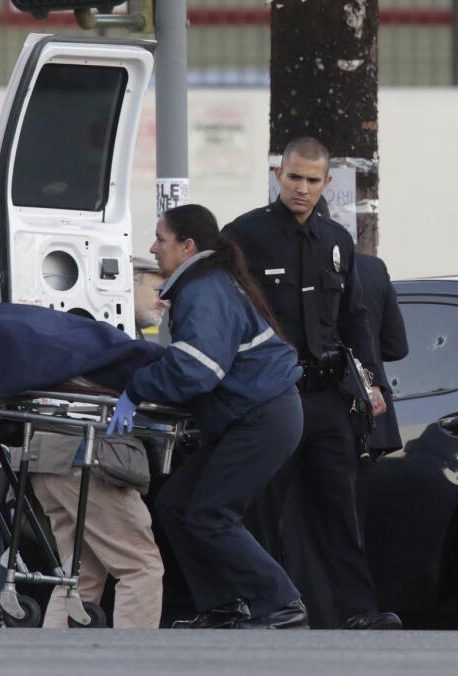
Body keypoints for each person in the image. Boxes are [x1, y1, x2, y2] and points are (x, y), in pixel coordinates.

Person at [223, 136, 401, 630]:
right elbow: (225, 314)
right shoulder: (243, 235)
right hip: (270, 398)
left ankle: (359, 611)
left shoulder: (337, 241)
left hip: (325, 397)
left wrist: (371, 384)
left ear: (327, 183)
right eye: (294, 177)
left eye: (313, 180)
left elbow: (355, 319)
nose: (302, 188)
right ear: (279, 174)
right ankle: (259, 606)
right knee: (260, 507)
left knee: (338, 508)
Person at [113, 203, 307, 629]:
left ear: (187, 247)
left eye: (160, 239)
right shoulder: (206, 286)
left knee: (210, 514)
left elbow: (197, 369)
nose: (153, 247)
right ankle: (222, 606)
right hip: (254, 414)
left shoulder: (204, 291)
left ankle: (281, 603)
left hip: (263, 416)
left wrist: (136, 388)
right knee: (177, 504)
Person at [27, 264, 168, 629]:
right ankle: (131, 666)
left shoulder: (80, 334)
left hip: (47, 458)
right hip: (84, 458)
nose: (163, 300)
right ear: (128, 283)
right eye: (156, 289)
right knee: (141, 566)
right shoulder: (117, 342)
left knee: (80, 576)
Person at [356, 252, 409, 456]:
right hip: (373, 418)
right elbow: (396, 347)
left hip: (315, 411)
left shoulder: (295, 266)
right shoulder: (373, 268)